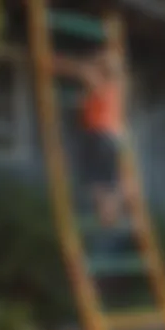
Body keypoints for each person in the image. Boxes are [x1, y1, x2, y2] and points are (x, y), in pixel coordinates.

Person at [52, 46, 131, 227]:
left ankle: (109, 210)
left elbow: (82, 72)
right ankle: (112, 207)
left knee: (97, 181)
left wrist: (57, 63)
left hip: (99, 136)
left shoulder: (102, 84)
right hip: (111, 138)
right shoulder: (117, 88)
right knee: (106, 181)